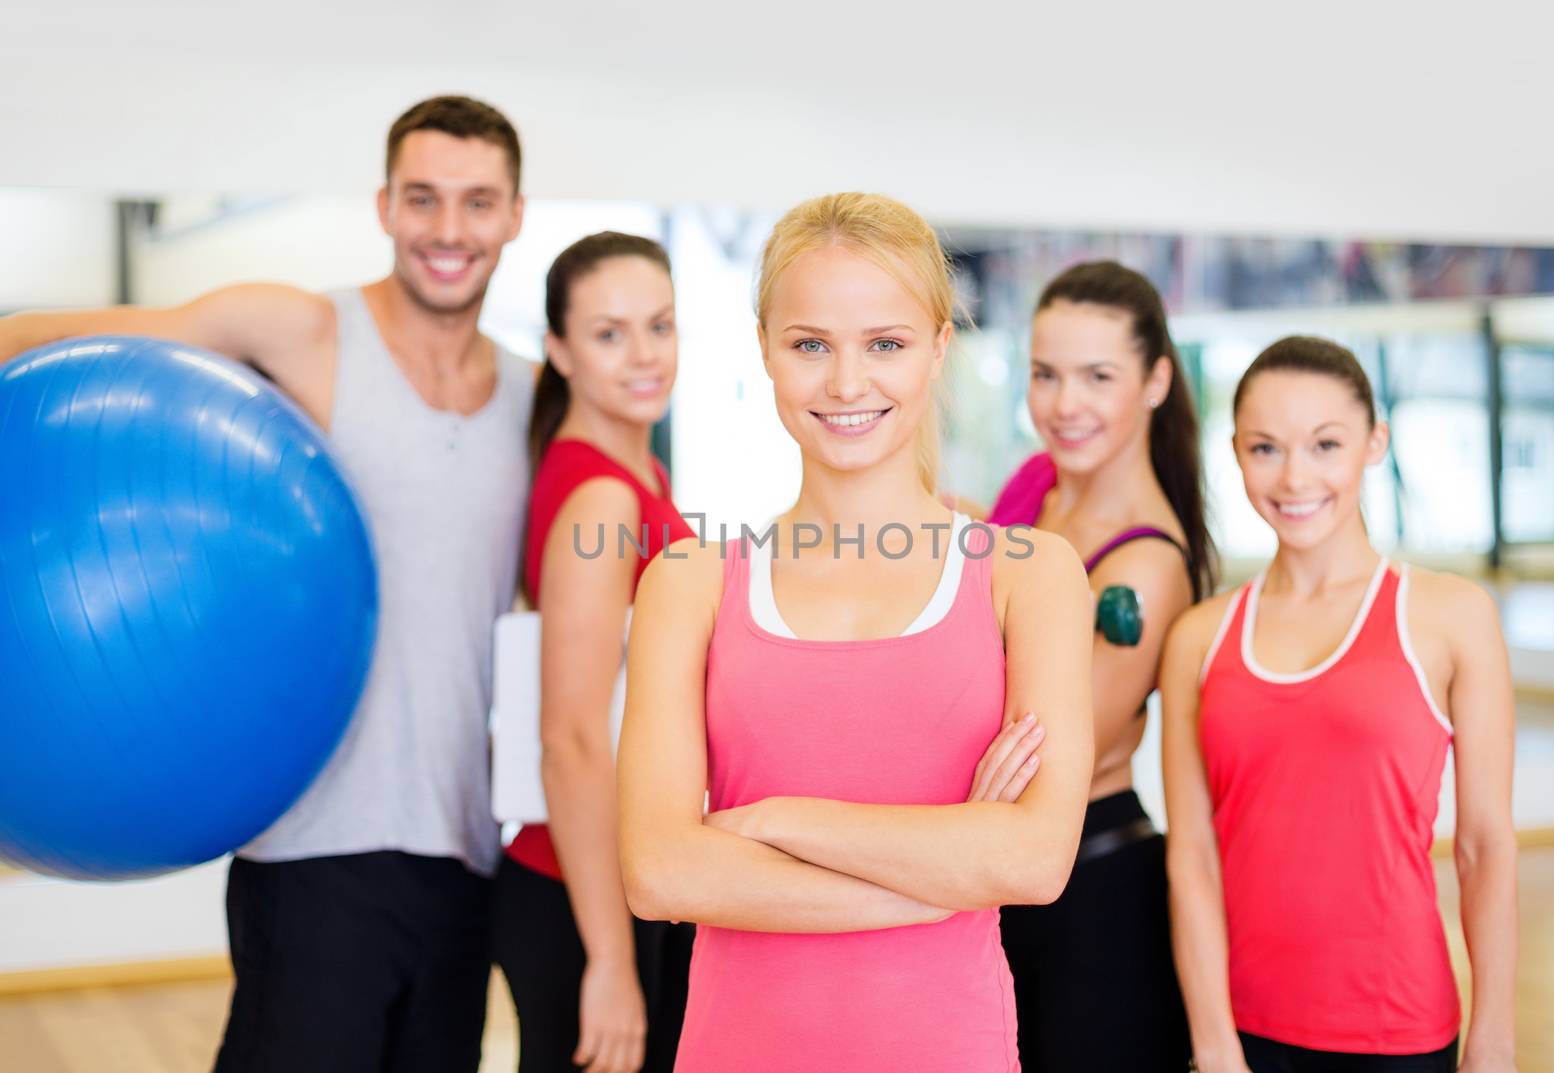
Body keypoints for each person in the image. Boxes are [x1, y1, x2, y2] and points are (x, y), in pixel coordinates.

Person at [0, 95, 533, 1073]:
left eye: (475, 202)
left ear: (514, 215)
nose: (448, 230)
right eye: (423, 198)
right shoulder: (299, 330)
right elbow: (33, 334)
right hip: (308, 848)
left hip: (463, 850)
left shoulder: (534, 398)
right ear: (384, 206)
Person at [615, 192, 1096, 1073]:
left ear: (940, 347)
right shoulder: (688, 584)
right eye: (809, 345)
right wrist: (941, 874)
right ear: (765, 348)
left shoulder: (1029, 575)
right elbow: (660, 872)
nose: (846, 384)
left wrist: (766, 821)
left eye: (886, 343)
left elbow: (1032, 861)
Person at [1162, 336, 1519, 1073]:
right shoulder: (1199, 635)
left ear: (1373, 443)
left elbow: (1485, 845)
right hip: (1244, 1024)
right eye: (1266, 448)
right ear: (1236, 452)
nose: (1295, 476)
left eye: (1326, 444)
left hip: (1398, 1025)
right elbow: (1191, 855)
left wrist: (1494, 1039)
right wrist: (1212, 1040)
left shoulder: (1451, 615)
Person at [984, 260, 1209, 1070]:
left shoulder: (1145, 566)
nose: (1063, 403)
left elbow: (1045, 762)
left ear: (1154, 380)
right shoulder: (1037, 488)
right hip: (1001, 874)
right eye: (1045, 373)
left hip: (1094, 892)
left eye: (1096, 376)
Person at [491, 232, 694, 1073]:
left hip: (618, 880)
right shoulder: (602, 494)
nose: (645, 355)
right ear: (559, 352)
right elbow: (570, 737)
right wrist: (610, 959)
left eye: (660, 325)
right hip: (583, 896)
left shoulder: (634, 472)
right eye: (610, 334)